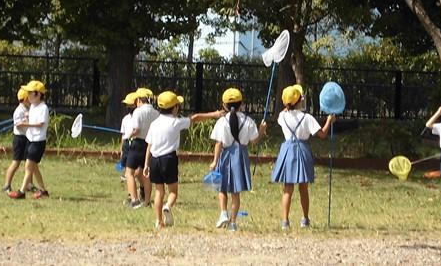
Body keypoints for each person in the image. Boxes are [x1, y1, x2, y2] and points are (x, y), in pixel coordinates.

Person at [143, 91, 223, 229]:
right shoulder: (176, 122)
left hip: (154, 160)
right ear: (174, 108)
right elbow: (195, 117)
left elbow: (149, 145)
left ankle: (158, 221)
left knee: (158, 191)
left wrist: (146, 164)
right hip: (169, 158)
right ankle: (167, 206)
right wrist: (214, 115)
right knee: (173, 191)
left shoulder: (154, 124)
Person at [271, 84, 335, 230]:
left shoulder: (282, 116)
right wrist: (329, 121)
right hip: (302, 150)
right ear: (299, 101)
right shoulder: (307, 118)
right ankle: (305, 219)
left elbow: (284, 110)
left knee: (287, 188)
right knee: (303, 187)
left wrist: (289, 104)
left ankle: (285, 221)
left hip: (287, 150)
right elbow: (323, 134)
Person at [209, 88, 267, 231]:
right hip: (240, 156)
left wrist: (215, 161)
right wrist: (261, 131)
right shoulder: (248, 121)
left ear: (224, 106)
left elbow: (218, 144)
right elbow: (254, 141)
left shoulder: (222, 121)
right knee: (236, 191)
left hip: (226, 155)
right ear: (241, 104)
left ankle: (223, 213)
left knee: (222, 187)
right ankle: (233, 223)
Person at [9, 80, 49, 199]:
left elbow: (40, 124)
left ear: (37, 94)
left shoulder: (43, 108)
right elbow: (31, 120)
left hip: (38, 142)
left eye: (30, 93)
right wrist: (24, 121)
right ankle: (43, 190)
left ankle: (21, 192)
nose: (28, 95)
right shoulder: (32, 106)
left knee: (28, 167)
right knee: (34, 167)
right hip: (30, 140)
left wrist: (26, 124)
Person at [124, 88, 158, 208]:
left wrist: (128, 135)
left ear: (138, 100)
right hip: (149, 145)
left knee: (129, 172)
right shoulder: (155, 113)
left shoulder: (138, 112)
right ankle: (147, 201)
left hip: (137, 143)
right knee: (146, 173)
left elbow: (136, 130)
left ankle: (134, 200)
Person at [1, 87, 34, 193]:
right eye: (29, 97)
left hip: (27, 138)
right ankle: (6, 185)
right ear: (25, 99)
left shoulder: (29, 109)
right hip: (19, 139)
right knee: (16, 162)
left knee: (29, 163)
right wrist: (29, 122)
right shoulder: (19, 111)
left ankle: (29, 184)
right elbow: (19, 125)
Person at [118, 92, 138, 183]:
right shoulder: (125, 119)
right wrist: (122, 149)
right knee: (125, 160)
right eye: (127, 105)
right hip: (127, 143)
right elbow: (123, 135)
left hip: (136, 142)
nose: (128, 107)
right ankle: (126, 174)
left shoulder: (139, 117)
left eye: (131, 105)